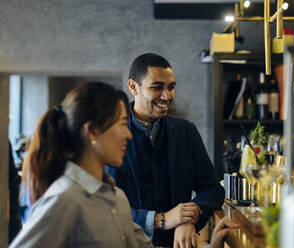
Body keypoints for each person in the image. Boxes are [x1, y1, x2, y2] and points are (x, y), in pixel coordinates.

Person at [9, 81, 237, 248]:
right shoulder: (64, 200)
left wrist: (213, 246)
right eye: (121, 124)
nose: (128, 134)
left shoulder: (115, 197)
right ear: (93, 132)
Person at [106, 53, 225, 247]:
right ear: (133, 87)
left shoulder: (186, 131)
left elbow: (212, 189)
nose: (166, 96)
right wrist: (161, 219)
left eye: (171, 87)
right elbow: (104, 207)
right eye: (157, 87)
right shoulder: (111, 134)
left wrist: (187, 219)